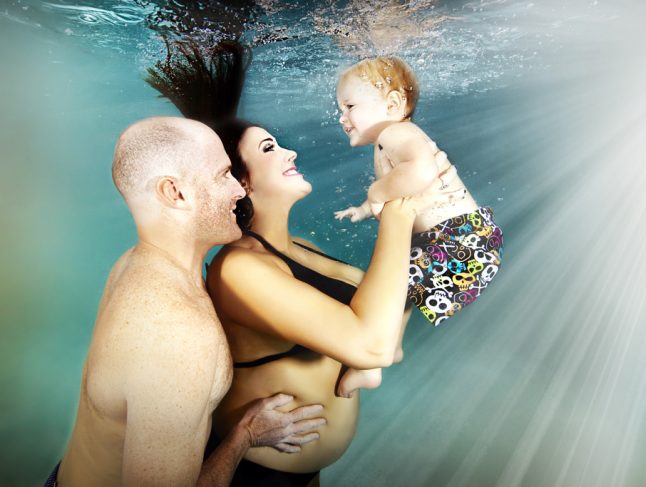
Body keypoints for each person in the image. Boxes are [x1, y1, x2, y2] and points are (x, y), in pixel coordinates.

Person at [146, 40, 419, 486]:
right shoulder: (239, 270)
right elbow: (373, 342)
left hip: (301, 471)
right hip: (253, 474)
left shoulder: (299, 246)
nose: (290, 153)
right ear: (241, 182)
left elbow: (393, 303)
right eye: (271, 148)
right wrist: (398, 211)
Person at [46, 117, 326, 487]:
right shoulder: (177, 336)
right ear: (174, 193)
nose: (238, 191)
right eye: (223, 174)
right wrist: (245, 434)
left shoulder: (136, 263)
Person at [334, 56, 503, 327]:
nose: (342, 118)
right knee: (392, 289)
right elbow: (399, 187)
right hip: (462, 242)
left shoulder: (395, 133)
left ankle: (371, 346)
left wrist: (376, 193)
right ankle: (386, 344)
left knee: (382, 289)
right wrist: (365, 208)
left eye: (349, 106)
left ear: (392, 104)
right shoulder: (391, 139)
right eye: (340, 108)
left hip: (458, 242)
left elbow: (422, 171)